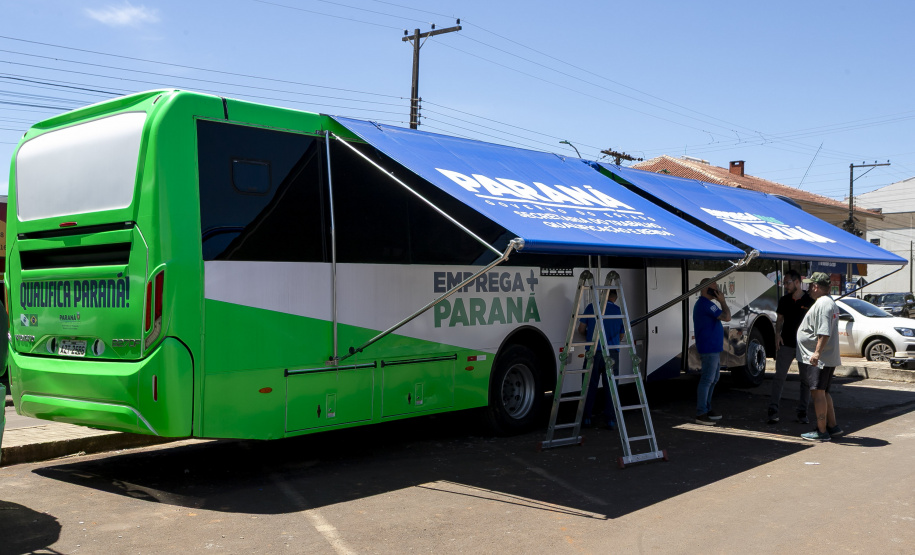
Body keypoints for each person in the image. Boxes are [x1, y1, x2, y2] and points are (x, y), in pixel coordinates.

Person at [797, 272, 843, 441]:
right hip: (826, 357)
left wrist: (816, 353)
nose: (808, 289)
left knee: (817, 393)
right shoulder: (827, 302)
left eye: (810, 286)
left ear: (816, 286)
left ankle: (821, 431)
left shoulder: (823, 304)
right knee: (824, 392)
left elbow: (823, 333)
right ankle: (832, 426)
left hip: (819, 359)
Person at [768, 269, 813, 424]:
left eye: (787, 282)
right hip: (786, 343)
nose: (785, 285)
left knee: (805, 380)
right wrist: (777, 334)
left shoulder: (809, 300)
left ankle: (802, 412)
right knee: (779, 377)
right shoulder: (784, 300)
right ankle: (773, 410)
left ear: (797, 282)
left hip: (804, 346)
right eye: (784, 282)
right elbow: (780, 318)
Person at [579, 289, 626, 429]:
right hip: (611, 353)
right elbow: (622, 336)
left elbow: (581, 329)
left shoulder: (591, 307)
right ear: (614, 298)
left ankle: (586, 418)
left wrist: (590, 338)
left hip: (593, 352)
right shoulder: (618, 311)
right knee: (610, 387)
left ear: (602, 296)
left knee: (589, 385)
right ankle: (610, 420)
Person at [693, 278, 731, 425]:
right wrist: (722, 301)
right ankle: (701, 412)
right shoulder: (706, 304)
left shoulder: (707, 305)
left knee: (714, 379)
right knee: (707, 379)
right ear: (705, 289)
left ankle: (707, 408)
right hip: (709, 348)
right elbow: (727, 317)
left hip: (713, 347)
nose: (717, 289)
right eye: (714, 287)